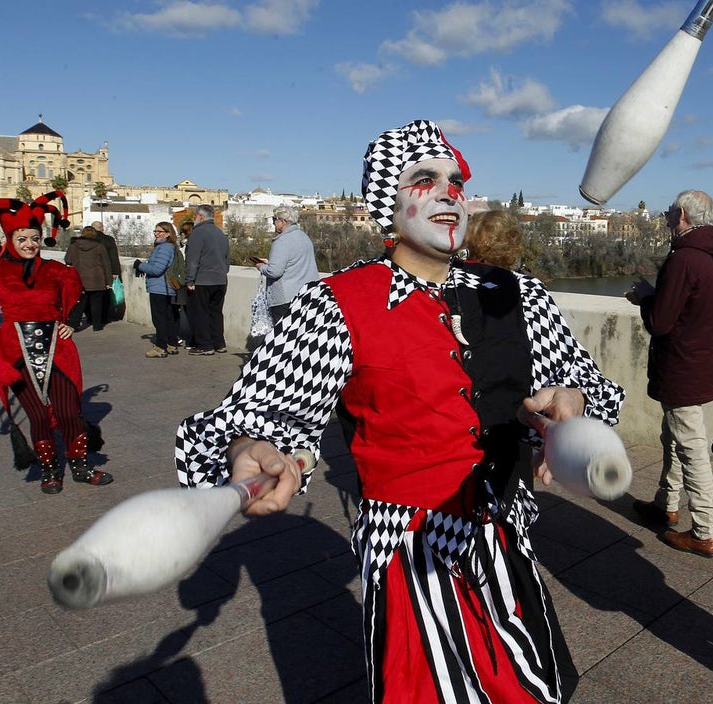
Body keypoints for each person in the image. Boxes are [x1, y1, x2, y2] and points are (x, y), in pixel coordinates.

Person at [175, 119, 624, 703]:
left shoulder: (517, 293)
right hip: (412, 549)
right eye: (425, 179)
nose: (447, 192)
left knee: (528, 686)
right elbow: (256, 414)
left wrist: (574, 405)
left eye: (456, 181)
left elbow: (583, 383)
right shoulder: (338, 303)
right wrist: (250, 449)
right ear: (386, 203)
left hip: (502, 534)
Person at [0, 191, 113, 493]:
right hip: (15, 351)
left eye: (34, 238)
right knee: (38, 415)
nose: (30, 244)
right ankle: (50, 470)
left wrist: (70, 322)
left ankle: (80, 466)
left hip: (58, 350)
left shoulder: (55, 269)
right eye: (23, 239)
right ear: (10, 240)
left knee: (70, 411)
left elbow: (81, 292)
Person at [627, 190, 713, 558]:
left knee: (690, 444)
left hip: (682, 364)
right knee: (672, 435)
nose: (667, 217)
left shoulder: (685, 258)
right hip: (702, 358)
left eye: (670, 212)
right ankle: (665, 504)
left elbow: (660, 321)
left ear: (683, 215)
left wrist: (645, 297)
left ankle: (704, 530)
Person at [254, 205, 319, 323]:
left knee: (282, 336)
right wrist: (270, 263)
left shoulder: (282, 241)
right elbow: (295, 262)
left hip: (286, 298)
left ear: (282, 222)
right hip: (306, 295)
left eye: (274, 219)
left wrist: (261, 267)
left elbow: (274, 272)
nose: (273, 223)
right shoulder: (304, 237)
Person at [183, 204, 230, 355]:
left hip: (202, 280)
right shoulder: (220, 233)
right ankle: (219, 343)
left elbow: (192, 260)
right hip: (220, 280)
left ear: (201, 217)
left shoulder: (197, 234)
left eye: (195, 216)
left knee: (200, 313)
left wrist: (190, 280)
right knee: (216, 312)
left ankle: (205, 345)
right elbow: (227, 259)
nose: (193, 219)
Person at [133, 221, 180, 358]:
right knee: (168, 318)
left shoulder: (165, 248)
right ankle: (171, 344)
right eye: (155, 231)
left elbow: (157, 269)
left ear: (168, 233)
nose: (156, 234)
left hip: (160, 288)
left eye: (159, 231)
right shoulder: (168, 247)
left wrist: (140, 266)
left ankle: (160, 347)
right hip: (164, 288)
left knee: (160, 319)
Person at [64, 226, 113, 331]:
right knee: (97, 303)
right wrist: (109, 280)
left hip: (80, 279)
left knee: (79, 304)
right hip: (97, 278)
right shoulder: (99, 246)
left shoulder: (74, 245)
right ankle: (97, 325)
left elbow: (68, 260)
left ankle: (74, 324)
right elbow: (106, 264)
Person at [89, 220, 121, 326]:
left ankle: (91, 317)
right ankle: (103, 318)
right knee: (105, 296)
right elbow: (113, 257)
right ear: (102, 229)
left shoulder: (85, 240)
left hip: (88, 272)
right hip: (105, 272)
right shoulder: (108, 240)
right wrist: (116, 272)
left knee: (89, 296)